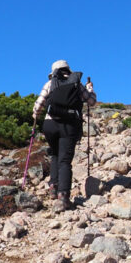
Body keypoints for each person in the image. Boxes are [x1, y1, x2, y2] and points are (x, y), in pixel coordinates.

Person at [32, 60, 96, 210]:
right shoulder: (76, 84)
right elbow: (91, 102)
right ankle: (63, 197)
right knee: (65, 161)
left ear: (53, 72)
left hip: (50, 125)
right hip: (69, 125)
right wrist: (90, 90)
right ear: (68, 69)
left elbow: (39, 105)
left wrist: (35, 116)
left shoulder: (50, 84)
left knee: (55, 154)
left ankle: (53, 187)